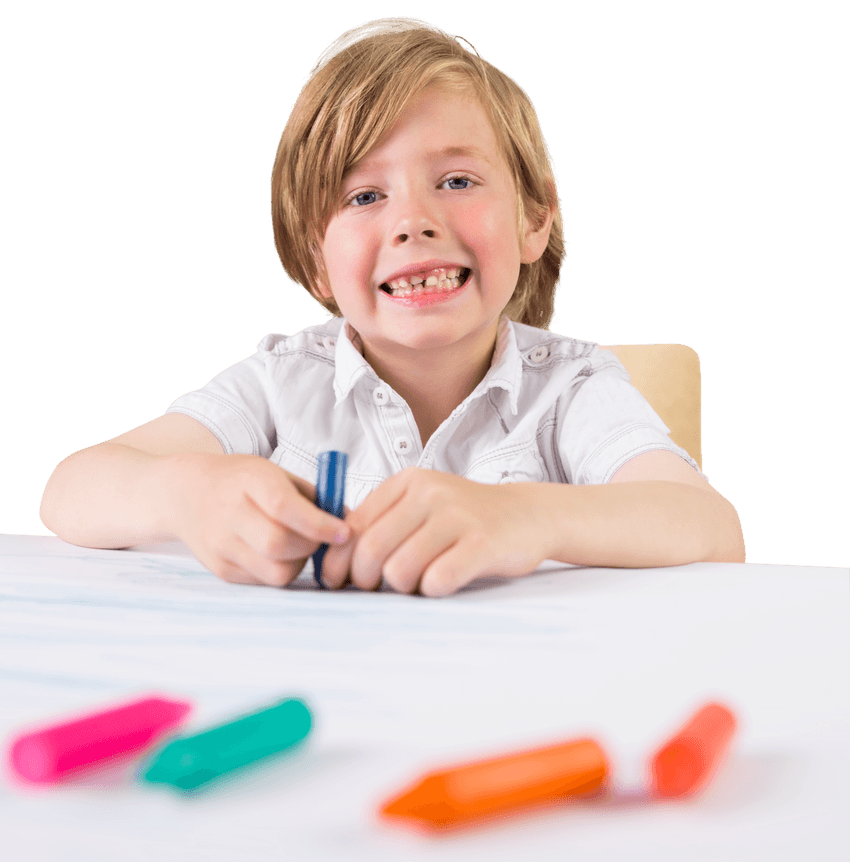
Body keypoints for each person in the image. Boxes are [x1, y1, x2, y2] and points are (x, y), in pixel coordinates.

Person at [39, 17, 745, 597]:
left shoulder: (574, 388)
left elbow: (713, 530)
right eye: (365, 197)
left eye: (458, 179)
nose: (413, 221)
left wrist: (524, 517)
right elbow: (67, 490)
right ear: (317, 257)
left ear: (534, 220)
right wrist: (187, 493)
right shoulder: (281, 383)